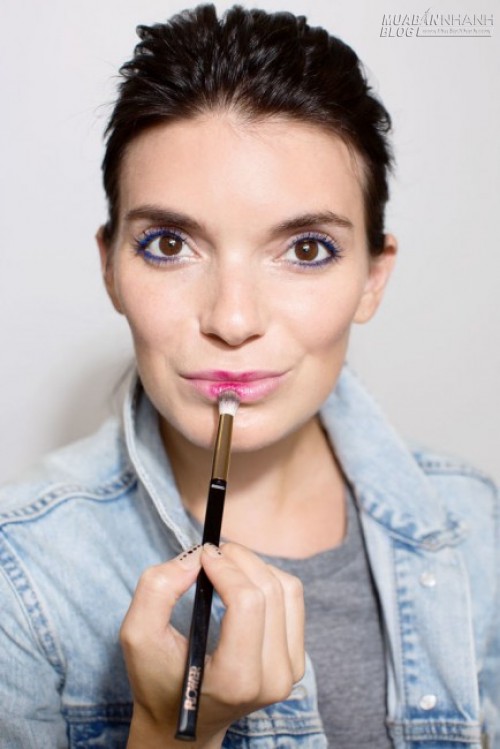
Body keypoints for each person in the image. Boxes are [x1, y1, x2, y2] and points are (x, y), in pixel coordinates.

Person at [0, 4, 498, 748]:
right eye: (169, 244)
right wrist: (172, 732)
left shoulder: (478, 526)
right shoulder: (18, 570)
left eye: (306, 249)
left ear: (373, 277)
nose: (232, 320)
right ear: (109, 267)